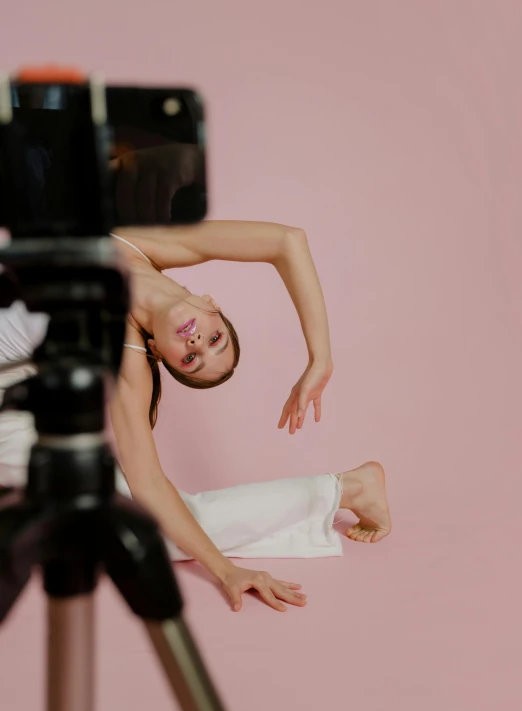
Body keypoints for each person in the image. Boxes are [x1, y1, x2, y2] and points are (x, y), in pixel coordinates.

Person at [0, 220, 391, 612]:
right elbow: (287, 241)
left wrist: (224, 571)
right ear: (211, 303)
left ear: (156, 350)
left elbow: (149, 486)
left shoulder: (124, 354)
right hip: (22, 383)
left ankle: (346, 489)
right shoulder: (141, 244)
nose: (198, 343)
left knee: (124, 526)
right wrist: (320, 358)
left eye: (190, 359)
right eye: (215, 338)